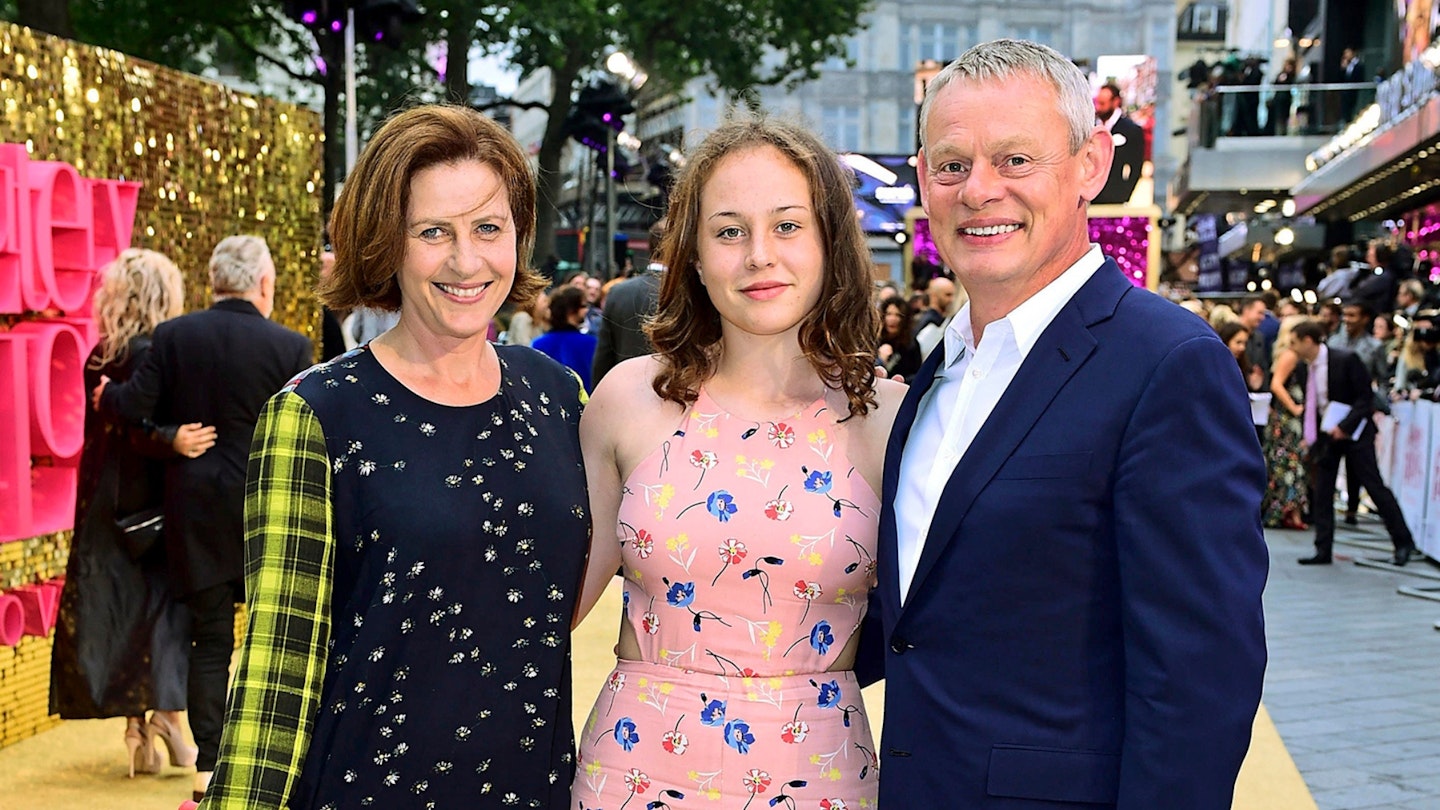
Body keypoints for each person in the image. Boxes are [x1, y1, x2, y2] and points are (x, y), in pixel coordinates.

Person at [868, 39, 1268, 808]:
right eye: (952, 165)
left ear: (1091, 164)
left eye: (1015, 160)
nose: (979, 190)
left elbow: (1198, 681)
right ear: (923, 179)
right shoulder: (939, 370)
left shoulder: (1168, 364)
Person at [198, 105, 589, 809]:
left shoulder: (559, 397)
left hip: (531, 788)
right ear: (387, 243)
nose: (466, 260)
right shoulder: (316, 413)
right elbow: (276, 668)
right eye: (433, 232)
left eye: (488, 229)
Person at [570, 118, 904, 809]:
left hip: (822, 776)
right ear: (691, 255)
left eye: (787, 226)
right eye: (728, 231)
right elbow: (557, 600)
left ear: (829, 244)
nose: (759, 255)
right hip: (633, 773)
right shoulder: (627, 399)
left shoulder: (890, 419)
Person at [98, 235, 312, 802]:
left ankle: (210, 770)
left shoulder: (172, 337)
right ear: (264, 284)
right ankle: (272, 761)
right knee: (273, 638)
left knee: (211, 640)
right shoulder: (289, 346)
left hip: (193, 514)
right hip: (267, 512)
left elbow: (133, 407)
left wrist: (111, 397)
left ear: (213, 280)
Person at [50, 249, 207, 777]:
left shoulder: (100, 355)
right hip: (149, 512)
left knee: (122, 618)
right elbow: (143, 432)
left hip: (101, 509)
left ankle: (138, 729)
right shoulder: (154, 354)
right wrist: (175, 440)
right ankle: (168, 718)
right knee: (162, 615)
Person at [1291, 318, 1417, 566]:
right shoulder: (1305, 368)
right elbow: (1314, 405)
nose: (1291, 347)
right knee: (1323, 491)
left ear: (1308, 340)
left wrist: (1344, 426)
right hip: (1328, 434)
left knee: (1373, 485)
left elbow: (1365, 398)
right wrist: (1313, 437)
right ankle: (1322, 548)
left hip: (1356, 432)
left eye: (1294, 342)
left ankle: (1403, 542)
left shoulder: (1345, 359)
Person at [591, 218, 668, 385]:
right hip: (675, 398)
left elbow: (604, 357)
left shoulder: (618, 292)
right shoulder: (689, 292)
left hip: (624, 394)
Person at [1263, 316, 1312, 529]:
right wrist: (1294, 408)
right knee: (1289, 464)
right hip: (1287, 422)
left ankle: (1291, 511)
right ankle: (1287, 512)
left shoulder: (1288, 355)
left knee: (1289, 465)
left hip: (1286, 420)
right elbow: (1276, 384)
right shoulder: (1290, 356)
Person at [533, 285, 598, 391]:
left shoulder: (538, 344)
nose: (586, 310)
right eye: (583, 306)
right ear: (571, 310)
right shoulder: (591, 344)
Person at [1092, 82, 1145, 204]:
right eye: (1097, 103)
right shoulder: (1091, 127)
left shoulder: (1131, 130)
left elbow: (1136, 166)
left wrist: (1125, 194)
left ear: (1115, 102)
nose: (1098, 108)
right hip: (1091, 198)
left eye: (1103, 103)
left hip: (1116, 198)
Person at [877, 293, 924, 380]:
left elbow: (916, 374)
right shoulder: (875, 341)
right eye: (889, 314)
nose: (892, 319)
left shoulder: (911, 344)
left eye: (898, 315)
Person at [1266, 57, 1297, 135]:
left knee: (1284, 117)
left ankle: (1283, 132)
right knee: (1279, 117)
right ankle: (1279, 132)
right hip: (1279, 99)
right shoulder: (1281, 74)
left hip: (1286, 99)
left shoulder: (1291, 76)